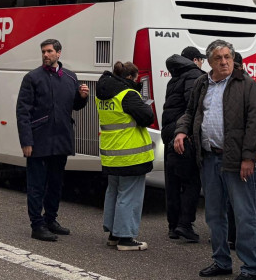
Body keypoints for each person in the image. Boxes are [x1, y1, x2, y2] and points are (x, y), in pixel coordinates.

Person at [174, 39, 256, 280]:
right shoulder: (202, 83)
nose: (224, 62)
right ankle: (222, 261)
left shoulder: (245, 83)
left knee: (244, 215)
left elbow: (255, 123)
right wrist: (182, 131)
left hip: (236, 160)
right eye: (218, 58)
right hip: (209, 157)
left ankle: (251, 267)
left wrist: (248, 156)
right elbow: (190, 113)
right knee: (214, 215)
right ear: (209, 61)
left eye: (228, 57)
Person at [16, 39, 89, 242]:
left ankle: (51, 220)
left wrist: (82, 98)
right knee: (37, 185)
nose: (45, 55)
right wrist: (26, 141)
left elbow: (73, 106)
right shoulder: (32, 78)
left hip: (61, 139)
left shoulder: (70, 77)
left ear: (59, 53)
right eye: (43, 51)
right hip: (39, 140)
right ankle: (36, 225)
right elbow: (23, 112)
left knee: (56, 184)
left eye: (49, 51)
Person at [97, 61, 156, 251]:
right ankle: (125, 238)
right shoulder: (128, 94)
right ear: (130, 78)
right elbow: (147, 117)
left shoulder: (103, 94)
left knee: (113, 192)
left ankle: (114, 234)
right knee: (130, 195)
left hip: (111, 153)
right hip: (131, 154)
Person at [162, 46, 206, 242]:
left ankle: (173, 225)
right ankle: (185, 224)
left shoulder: (175, 77)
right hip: (183, 134)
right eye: (201, 59)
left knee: (173, 181)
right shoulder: (195, 76)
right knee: (191, 180)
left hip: (169, 132)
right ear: (195, 60)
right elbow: (193, 104)